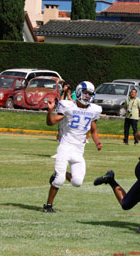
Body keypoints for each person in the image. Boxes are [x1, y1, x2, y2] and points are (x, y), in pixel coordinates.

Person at [43, 81, 103, 213]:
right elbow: (51, 123)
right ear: (79, 91)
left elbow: (93, 129)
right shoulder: (68, 106)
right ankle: (48, 205)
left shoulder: (94, 110)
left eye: (90, 94)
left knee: (77, 182)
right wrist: (50, 111)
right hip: (65, 146)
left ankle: (61, 173)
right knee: (59, 180)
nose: (87, 96)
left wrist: (97, 142)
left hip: (78, 150)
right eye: (85, 93)